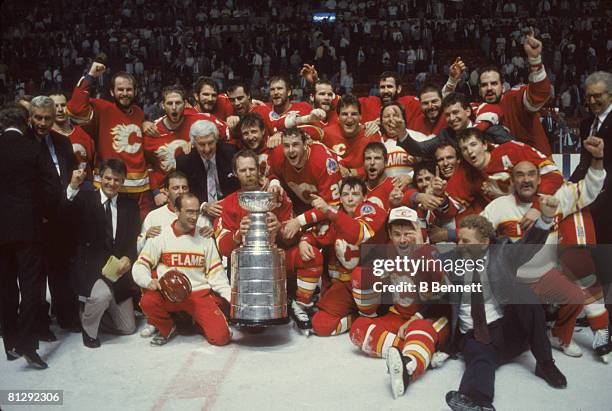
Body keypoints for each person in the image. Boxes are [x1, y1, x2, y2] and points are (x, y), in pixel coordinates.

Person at [481, 138, 610, 361]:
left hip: (544, 275)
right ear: (511, 180)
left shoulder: (555, 199)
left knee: (575, 296)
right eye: (519, 175)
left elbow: (590, 188)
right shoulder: (498, 206)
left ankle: (558, 336)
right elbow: (477, 234)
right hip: (512, 280)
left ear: (540, 179)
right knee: (513, 342)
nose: (526, 180)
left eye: (531, 174)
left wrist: (598, 158)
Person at [443, 205, 567, 411]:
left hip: (507, 332)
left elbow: (528, 245)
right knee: (480, 359)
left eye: (466, 241)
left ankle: (545, 364)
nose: (460, 245)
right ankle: (477, 401)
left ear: (484, 243)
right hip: (475, 337)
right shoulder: (448, 262)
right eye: (458, 241)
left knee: (523, 293)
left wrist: (545, 218)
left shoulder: (501, 253)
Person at [348, 207, 450, 398]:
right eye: (397, 234)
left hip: (429, 318)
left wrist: (421, 249)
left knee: (420, 328)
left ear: (419, 231)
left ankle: (409, 365)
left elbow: (444, 295)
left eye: (408, 233)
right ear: (390, 234)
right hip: (398, 316)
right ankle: (417, 350)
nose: (402, 239)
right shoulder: (389, 252)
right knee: (358, 329)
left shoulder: (432, 252)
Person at [0, 103, 61, 369]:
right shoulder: (34, 148)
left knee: (4, 287)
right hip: (29, 227)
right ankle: (26, 343)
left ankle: (10, 342)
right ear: (25, 122)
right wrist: (44, 213)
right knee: (31, 286)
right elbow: (53, 186)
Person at [133, 193, 232, 346]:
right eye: (189, 212)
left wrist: (232, 299)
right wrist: (148, 281)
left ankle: (196, 322)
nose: (194, 217)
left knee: (221, 338)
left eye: (197, 212)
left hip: (198, 294)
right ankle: (167, 327)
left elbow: (217, 274)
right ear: (177, 212)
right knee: (148, 301)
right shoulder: (161, 235)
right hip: (169, 294)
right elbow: (140, 265)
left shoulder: (205, 237)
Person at [66, 158, 140, 348]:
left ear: (123, 181)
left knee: (128, 328)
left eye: (117, 180)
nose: (111, 184)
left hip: (117, 273)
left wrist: (128, 258)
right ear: (99, 177)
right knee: (102, 296)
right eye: (107, 178)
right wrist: (72, 188)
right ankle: (89, 328)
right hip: (90, 269)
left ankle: (88, 312)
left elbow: (132, 243)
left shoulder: (130, 206)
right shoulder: (84, 198)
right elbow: (64, 217)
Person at [300, 177, 387, 336]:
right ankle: (355, 318)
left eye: (355, 194)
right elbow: (314, 235)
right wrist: (304, 242)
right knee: (320, 324)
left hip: (374, 284)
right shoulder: (334, 217)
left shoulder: (372, 210)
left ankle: (368, 318)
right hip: (345, 286)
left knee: (361, 275)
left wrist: (329, 210)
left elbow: (357, 233)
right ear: (340, 198)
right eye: (345, 194)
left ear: (365, 197)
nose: (350, 198)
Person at [67, 61, 152, 219]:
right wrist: (90, 75)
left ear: (135, 91)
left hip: (139, 186)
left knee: (135, 233)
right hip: (109, 184)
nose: (125, 93)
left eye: (129, 89)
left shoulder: (139, 113)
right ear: (112, 92)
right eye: (120, 89)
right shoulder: (102, 108)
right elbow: (75, 108)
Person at [30, 96, 80, 337]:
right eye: (38, 118)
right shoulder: (24, 143)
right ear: (31, 117)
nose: (42, 123)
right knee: (38, 274)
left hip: (62, 217)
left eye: (47, 118)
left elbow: (70, 174)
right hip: (37, 220)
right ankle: (40, 325)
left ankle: (67, 317)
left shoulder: (62, 142)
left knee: (62, 270)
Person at [570, 71, 612, 328]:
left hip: (608, 201)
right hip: (593, 203)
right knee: (597, 259)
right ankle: (599, 313)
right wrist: (567, 187)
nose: (593, 101)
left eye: (598, 96)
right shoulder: (587, 124)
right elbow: (585, 163)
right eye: (589, 97)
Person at [476, 28, 553, 156]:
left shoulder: (514, 98)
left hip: (538, 167)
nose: (489, 88)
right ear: (479, 90)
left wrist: (535, 61)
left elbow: (539, 94)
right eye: (484, 85)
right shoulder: (479, 110)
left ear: (503, 86)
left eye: (494, 83)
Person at [176, 119, 239, 220]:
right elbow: (183, 194)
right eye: (201, 144)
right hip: (200, 212)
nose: (207, 149)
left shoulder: (231, 153)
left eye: (210, 143)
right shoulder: (184, 161)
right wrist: (203, 206)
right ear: (193, 143)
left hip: (230, 208)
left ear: (216, 139)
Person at [50, 92, 95, 178]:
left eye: (63, 105)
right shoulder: (46, 137)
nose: (60, 109)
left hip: (85, 187)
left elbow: (92, 163)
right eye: (55, 106)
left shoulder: (84, 133)